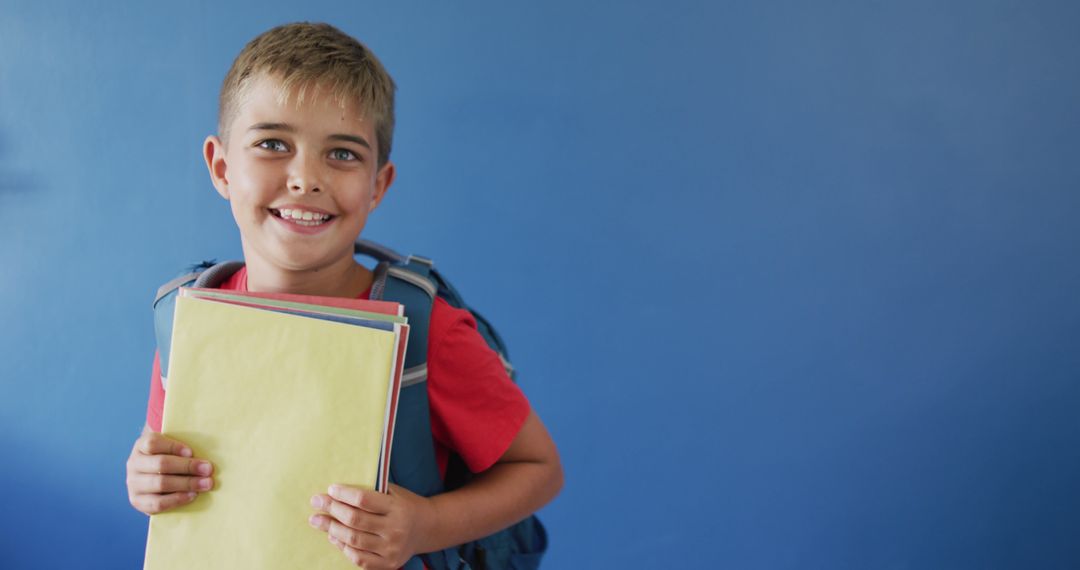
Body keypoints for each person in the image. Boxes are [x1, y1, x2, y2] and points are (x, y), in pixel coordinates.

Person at [124, 22, 563, 569]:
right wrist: (145, 478)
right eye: (272, 144)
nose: (306, 177)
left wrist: (426, 525)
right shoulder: (187, 318)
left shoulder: (429, 330)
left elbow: (539, 468)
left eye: (343, 154)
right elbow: (160, 452)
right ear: (221, 166)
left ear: (378, 185)